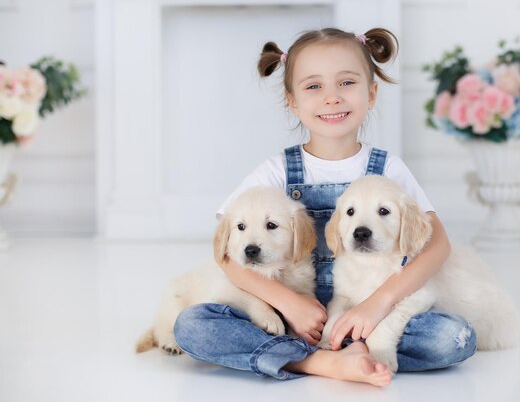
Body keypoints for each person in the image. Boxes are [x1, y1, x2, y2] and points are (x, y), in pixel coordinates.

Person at [174, 27, 476, 387]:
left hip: (365, 315)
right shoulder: (276, 171)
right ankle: (323, 363)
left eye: (346, 83)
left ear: (372, 93)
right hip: (292, 317)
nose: (331, 98)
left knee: (453, 338)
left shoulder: (388, 169)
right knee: (192, 326)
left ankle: (301, 355)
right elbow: (226, 251)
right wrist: (288, 304)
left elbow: (437, 245)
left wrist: (378, 304)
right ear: (293, 101)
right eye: (314, 86)